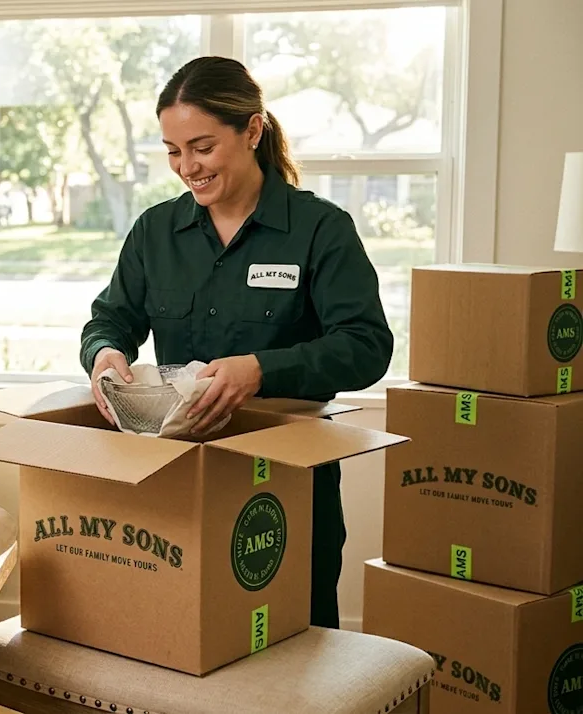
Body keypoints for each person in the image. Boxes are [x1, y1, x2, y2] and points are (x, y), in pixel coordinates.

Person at [79, 56, 392, 629]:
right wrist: (104, 354)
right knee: (179, 643)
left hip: (290, 493)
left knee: (295, 656)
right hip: (177, 485)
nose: (186, 167)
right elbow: (110, 318)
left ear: (252, 130)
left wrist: (260, 369)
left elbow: (368, 346)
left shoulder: (320, 229)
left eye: (201, 147)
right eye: (173, 151)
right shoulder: (155, 231)